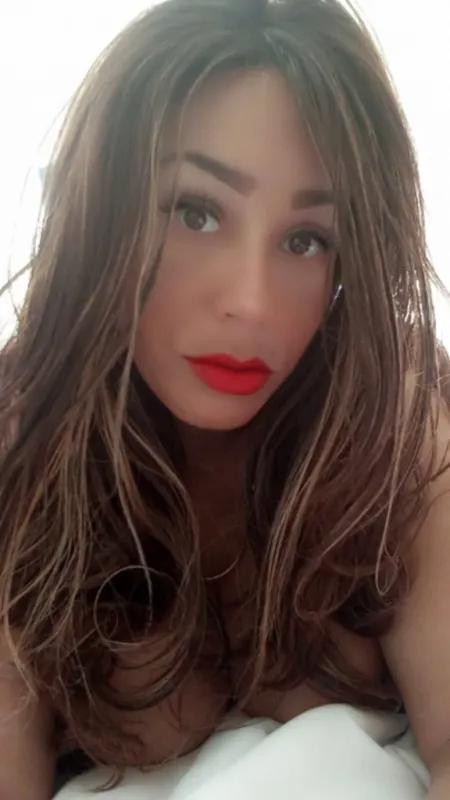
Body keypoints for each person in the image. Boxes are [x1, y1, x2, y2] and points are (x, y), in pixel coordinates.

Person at [0, 0, 449, 797]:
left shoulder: (396, 435)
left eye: (306, 239)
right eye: (196, 212)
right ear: (97, 209)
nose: (251, 302)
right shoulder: (23, 456)